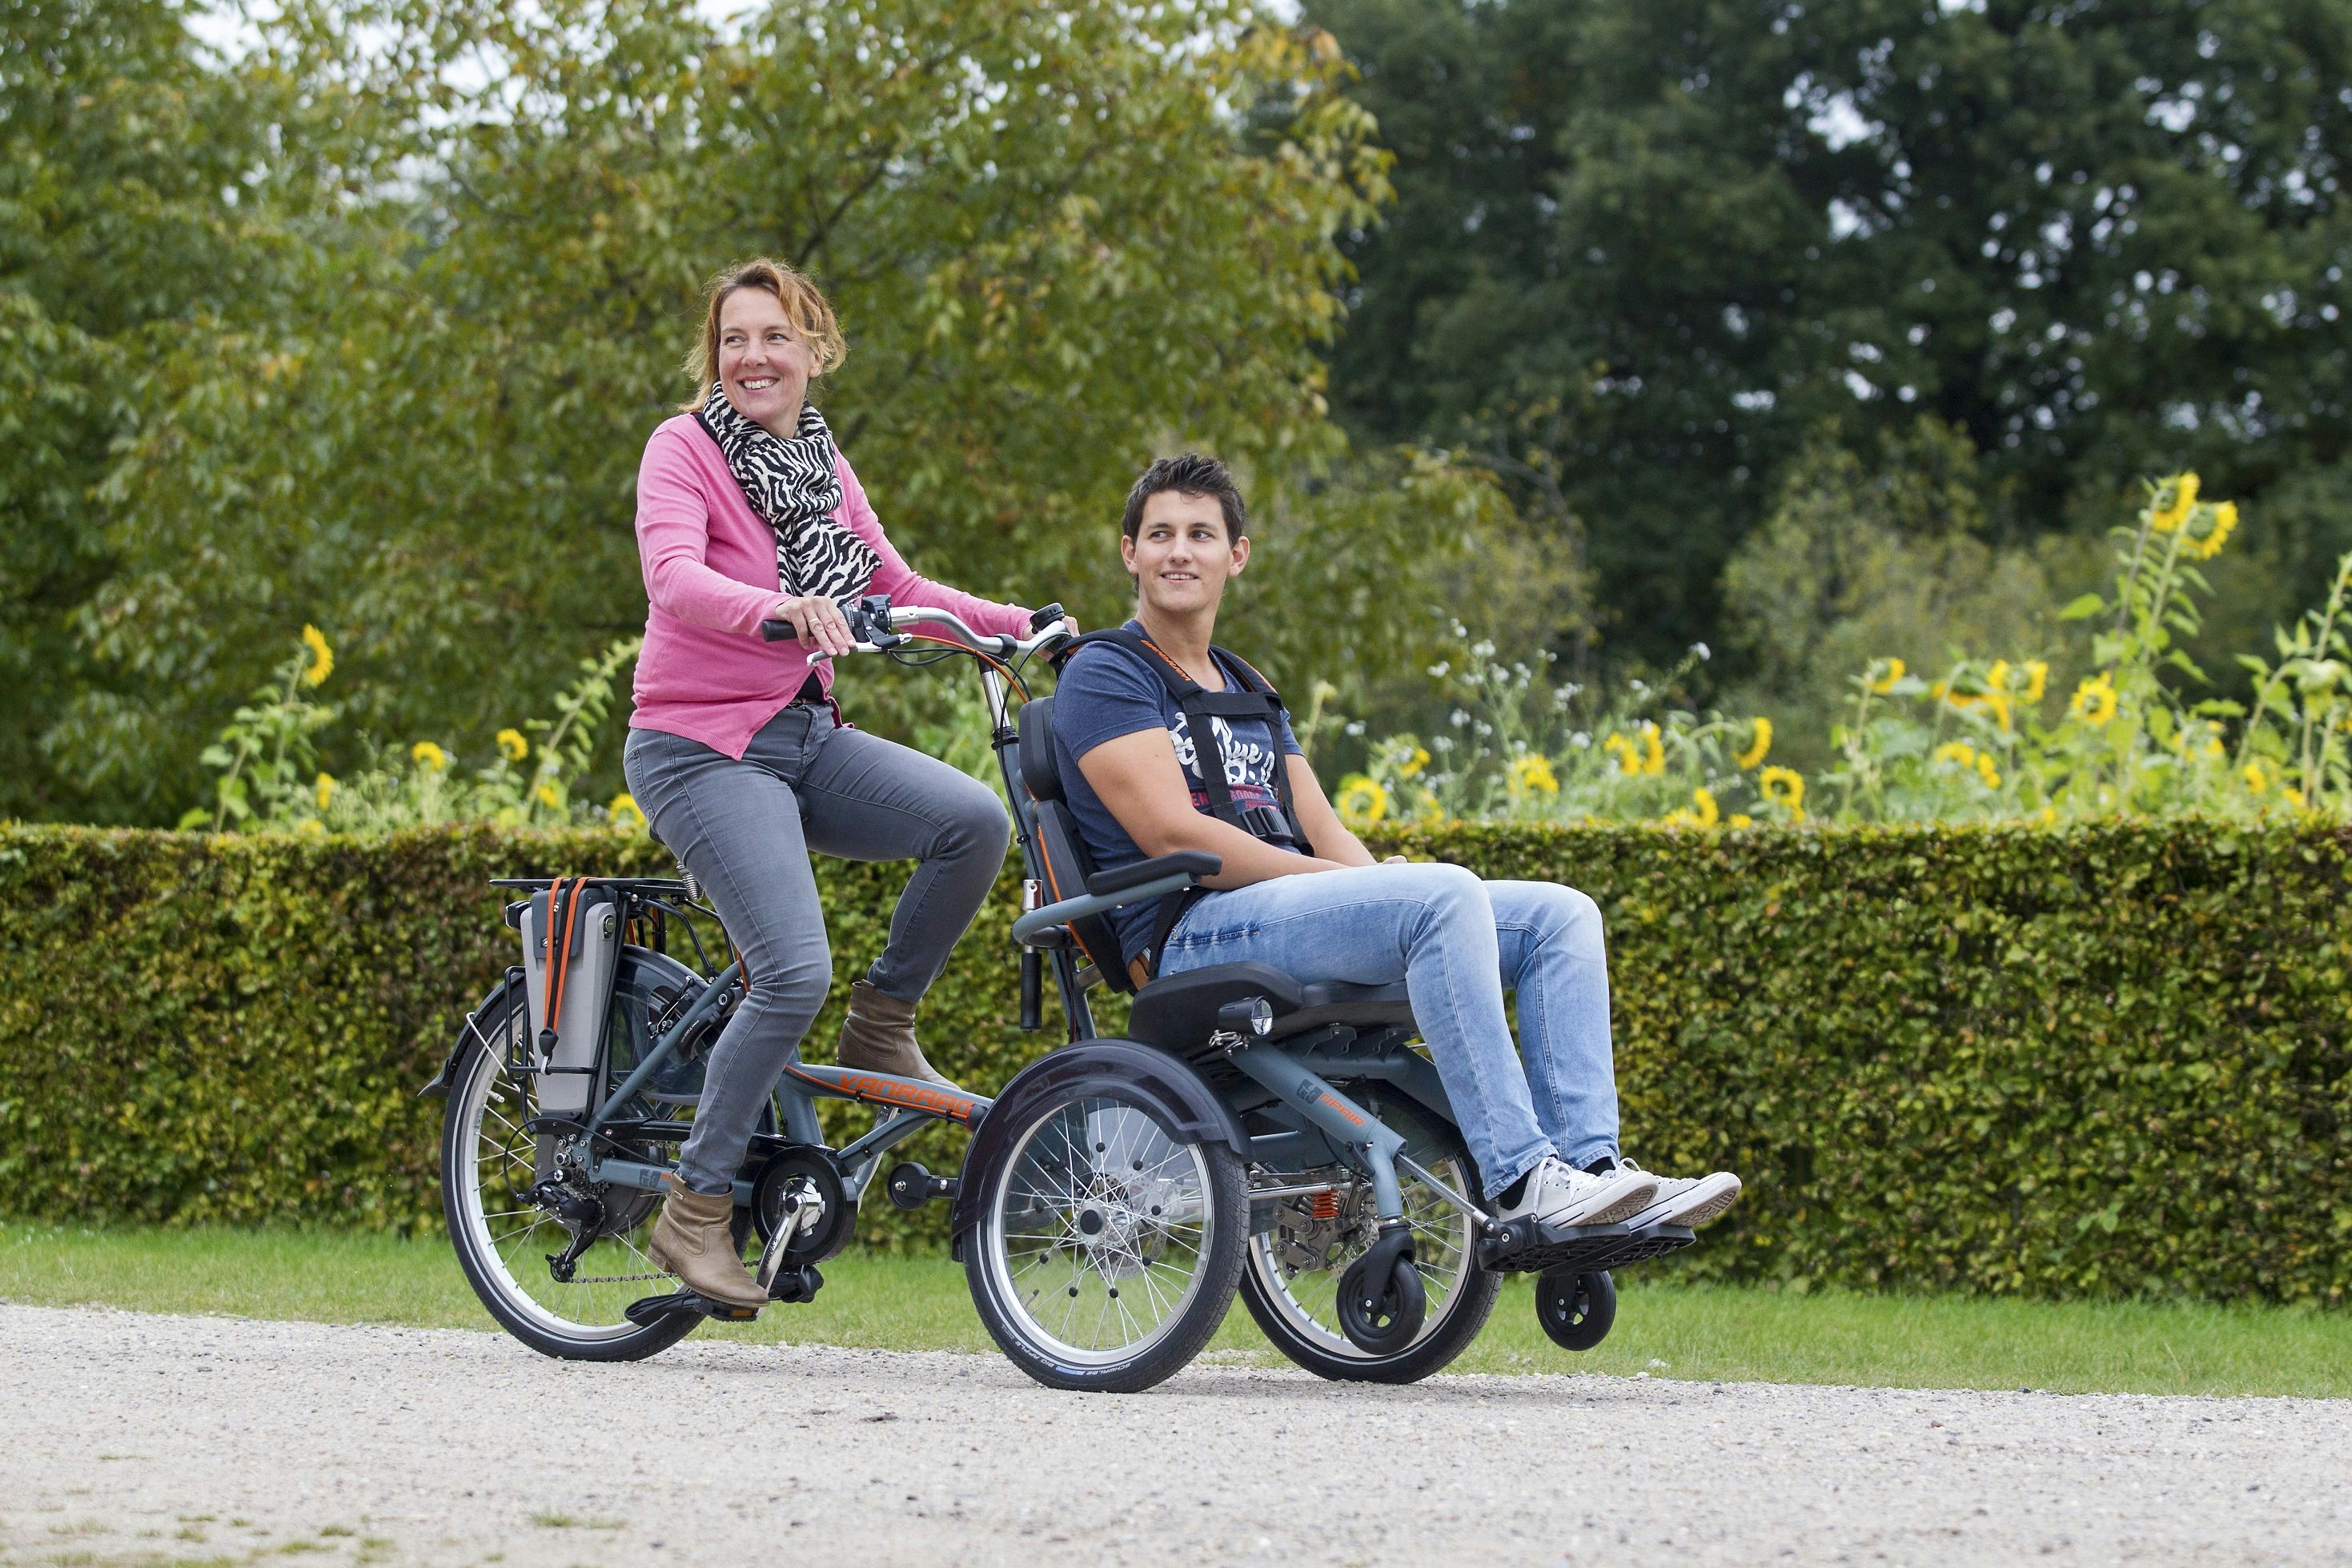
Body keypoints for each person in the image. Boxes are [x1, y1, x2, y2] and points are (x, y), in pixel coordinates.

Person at [1051, 453, 1742, 1233]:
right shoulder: (1105, 671)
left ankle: (1593, 1175)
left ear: (1235, 556)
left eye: (1201, 534)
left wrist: (1374, 885)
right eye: (1161, 534)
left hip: (1283, 916)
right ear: (1129, 553)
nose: (1180, 551)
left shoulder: (1246, 685)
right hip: (1192, 933)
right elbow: (1171, 832)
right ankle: (1520, 1181)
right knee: (1440, 891)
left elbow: (1327, 829)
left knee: (1560, 915)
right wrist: (1349, 887)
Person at [621, 259, 1050, 1309]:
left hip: (801, 737)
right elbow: (673, 576)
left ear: (813, 353)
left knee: (971, 822)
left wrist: (1021, 623)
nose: (752, 357)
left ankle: (883, 1022)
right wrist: (778, 607)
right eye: (734, 339)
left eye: (775, 337)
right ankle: (695, 1206)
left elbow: (891, 585)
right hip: (699, 743)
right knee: (790, 971)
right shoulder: (681, 449)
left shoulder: (818, 463)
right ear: (713, 356)